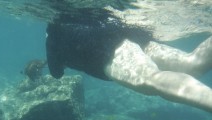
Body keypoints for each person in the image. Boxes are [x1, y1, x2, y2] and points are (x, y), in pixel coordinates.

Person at [46, 9, 212, 113]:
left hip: (103, 48)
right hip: (123, 30)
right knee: (192, 64)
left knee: (152, 80)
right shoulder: (71, 18)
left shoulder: (54, 32)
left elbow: (56, 73)